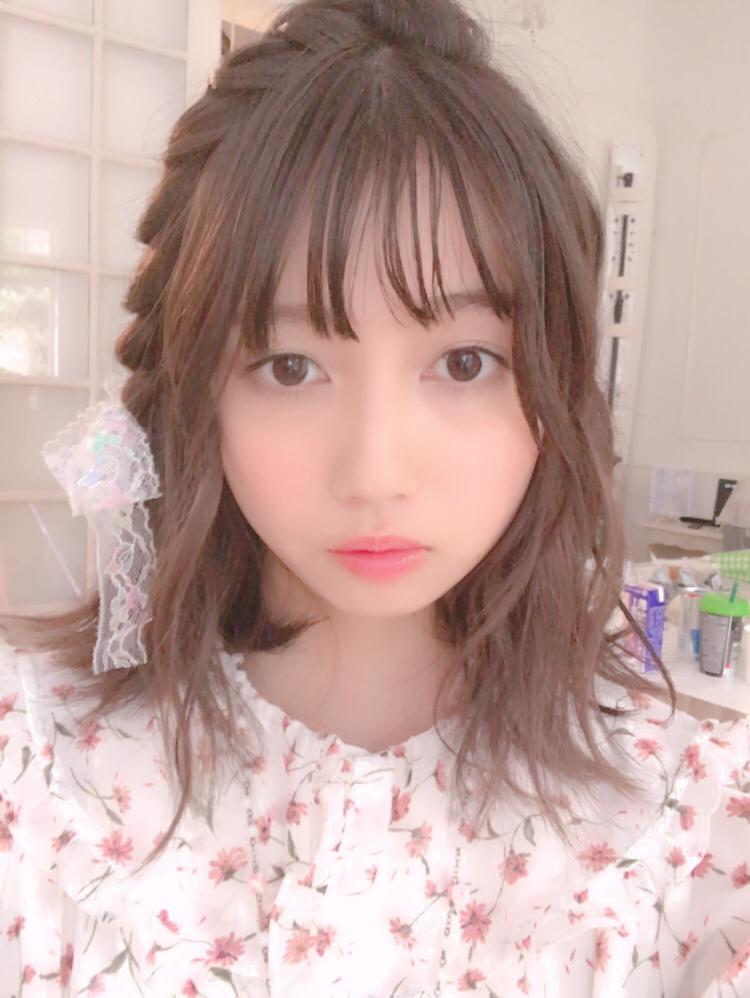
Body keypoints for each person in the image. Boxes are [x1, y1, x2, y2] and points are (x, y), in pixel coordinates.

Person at [1, 0, 748, 994]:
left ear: (557, 386)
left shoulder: (694, 832)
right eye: (290, 367)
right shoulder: (37, 772)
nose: (376, 470)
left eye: (466, 361)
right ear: (196, 395)